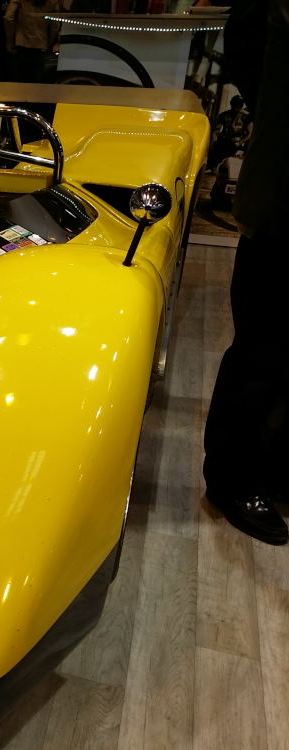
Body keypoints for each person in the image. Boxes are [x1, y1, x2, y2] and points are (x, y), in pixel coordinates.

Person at [202, 0, 289, 545]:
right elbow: (247, 41)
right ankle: (235, 479)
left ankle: (277, 465)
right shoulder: (269, 11)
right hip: (282, 205)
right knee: (264, 348)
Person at [3, 0, 60, 83]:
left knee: (20, 82)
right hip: (40, 45)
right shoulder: (52, 1)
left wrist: (10, 41)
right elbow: (55, 25)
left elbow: (8, 17)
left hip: (22, 44)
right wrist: (48, 43)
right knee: (36, 83)